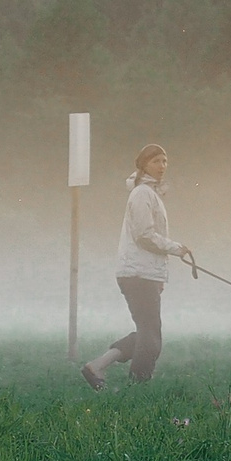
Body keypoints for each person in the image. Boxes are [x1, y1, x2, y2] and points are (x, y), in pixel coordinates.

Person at [80, 144, 193, 390]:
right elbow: (144, 235)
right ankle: (138, 387)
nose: (162, 166)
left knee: (147, 334)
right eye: (156, 161)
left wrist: (160, 273)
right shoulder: (142, 194)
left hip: (144, 274)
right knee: (151, 337)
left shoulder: (150, 194)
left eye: (165, 161)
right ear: (143, 165)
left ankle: (97, 366)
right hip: (138, 274)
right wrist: (175, 248)